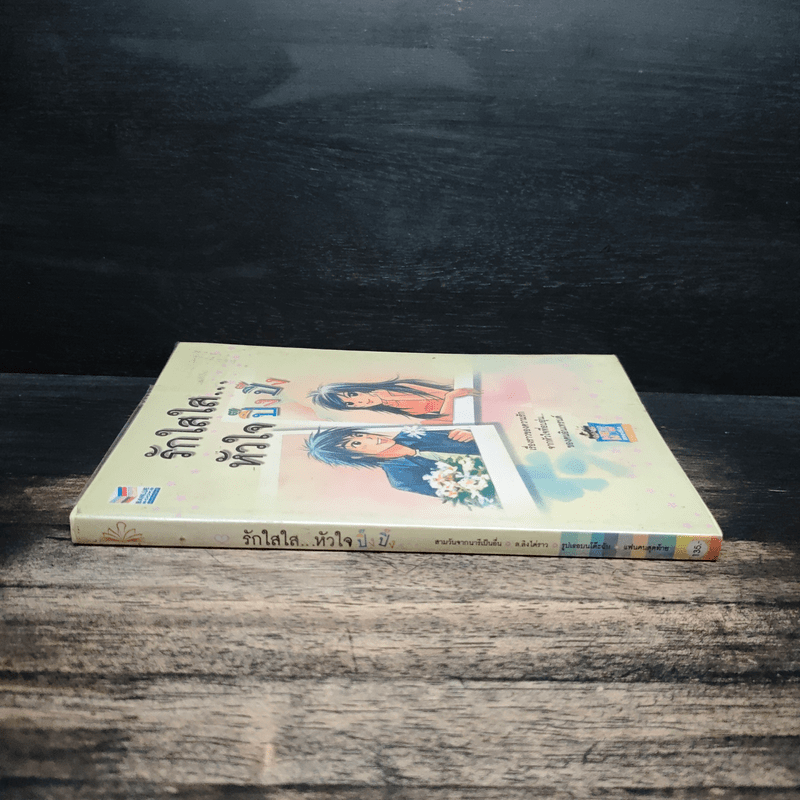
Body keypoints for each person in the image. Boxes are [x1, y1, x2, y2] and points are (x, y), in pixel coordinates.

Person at [305, 427, 481, 498]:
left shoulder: (413, 433)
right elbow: (467, 495)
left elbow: (473, 433)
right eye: (356, 443)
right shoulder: (401, 478)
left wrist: (474, 434)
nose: (369, 437)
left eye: (358, 434)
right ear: (356, 456)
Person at [309, 378, 478, 420]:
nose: (359, 402)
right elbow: (445, 418)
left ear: (358, 387)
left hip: (472, 399)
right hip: (468, 414)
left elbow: (448, 394)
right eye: (350, 404)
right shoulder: (393, 410)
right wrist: (450, 398)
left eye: (353, 395)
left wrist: (450, 397)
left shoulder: (400, 387)